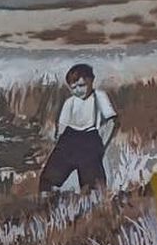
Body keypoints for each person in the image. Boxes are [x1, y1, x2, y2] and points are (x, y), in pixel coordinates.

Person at [39, 61, 116, 194]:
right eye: (73, 88)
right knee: (50, 176)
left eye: (81, 85)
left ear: (91, 81)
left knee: (93, 181)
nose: (78, 91)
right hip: (69, 138)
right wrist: (58, 135)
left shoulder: (99, 96)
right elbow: (63, 123)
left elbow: (111, 121)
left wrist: (103, 143)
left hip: (90, 138)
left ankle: (93, 207)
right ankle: (46, 201)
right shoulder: (70, 102)